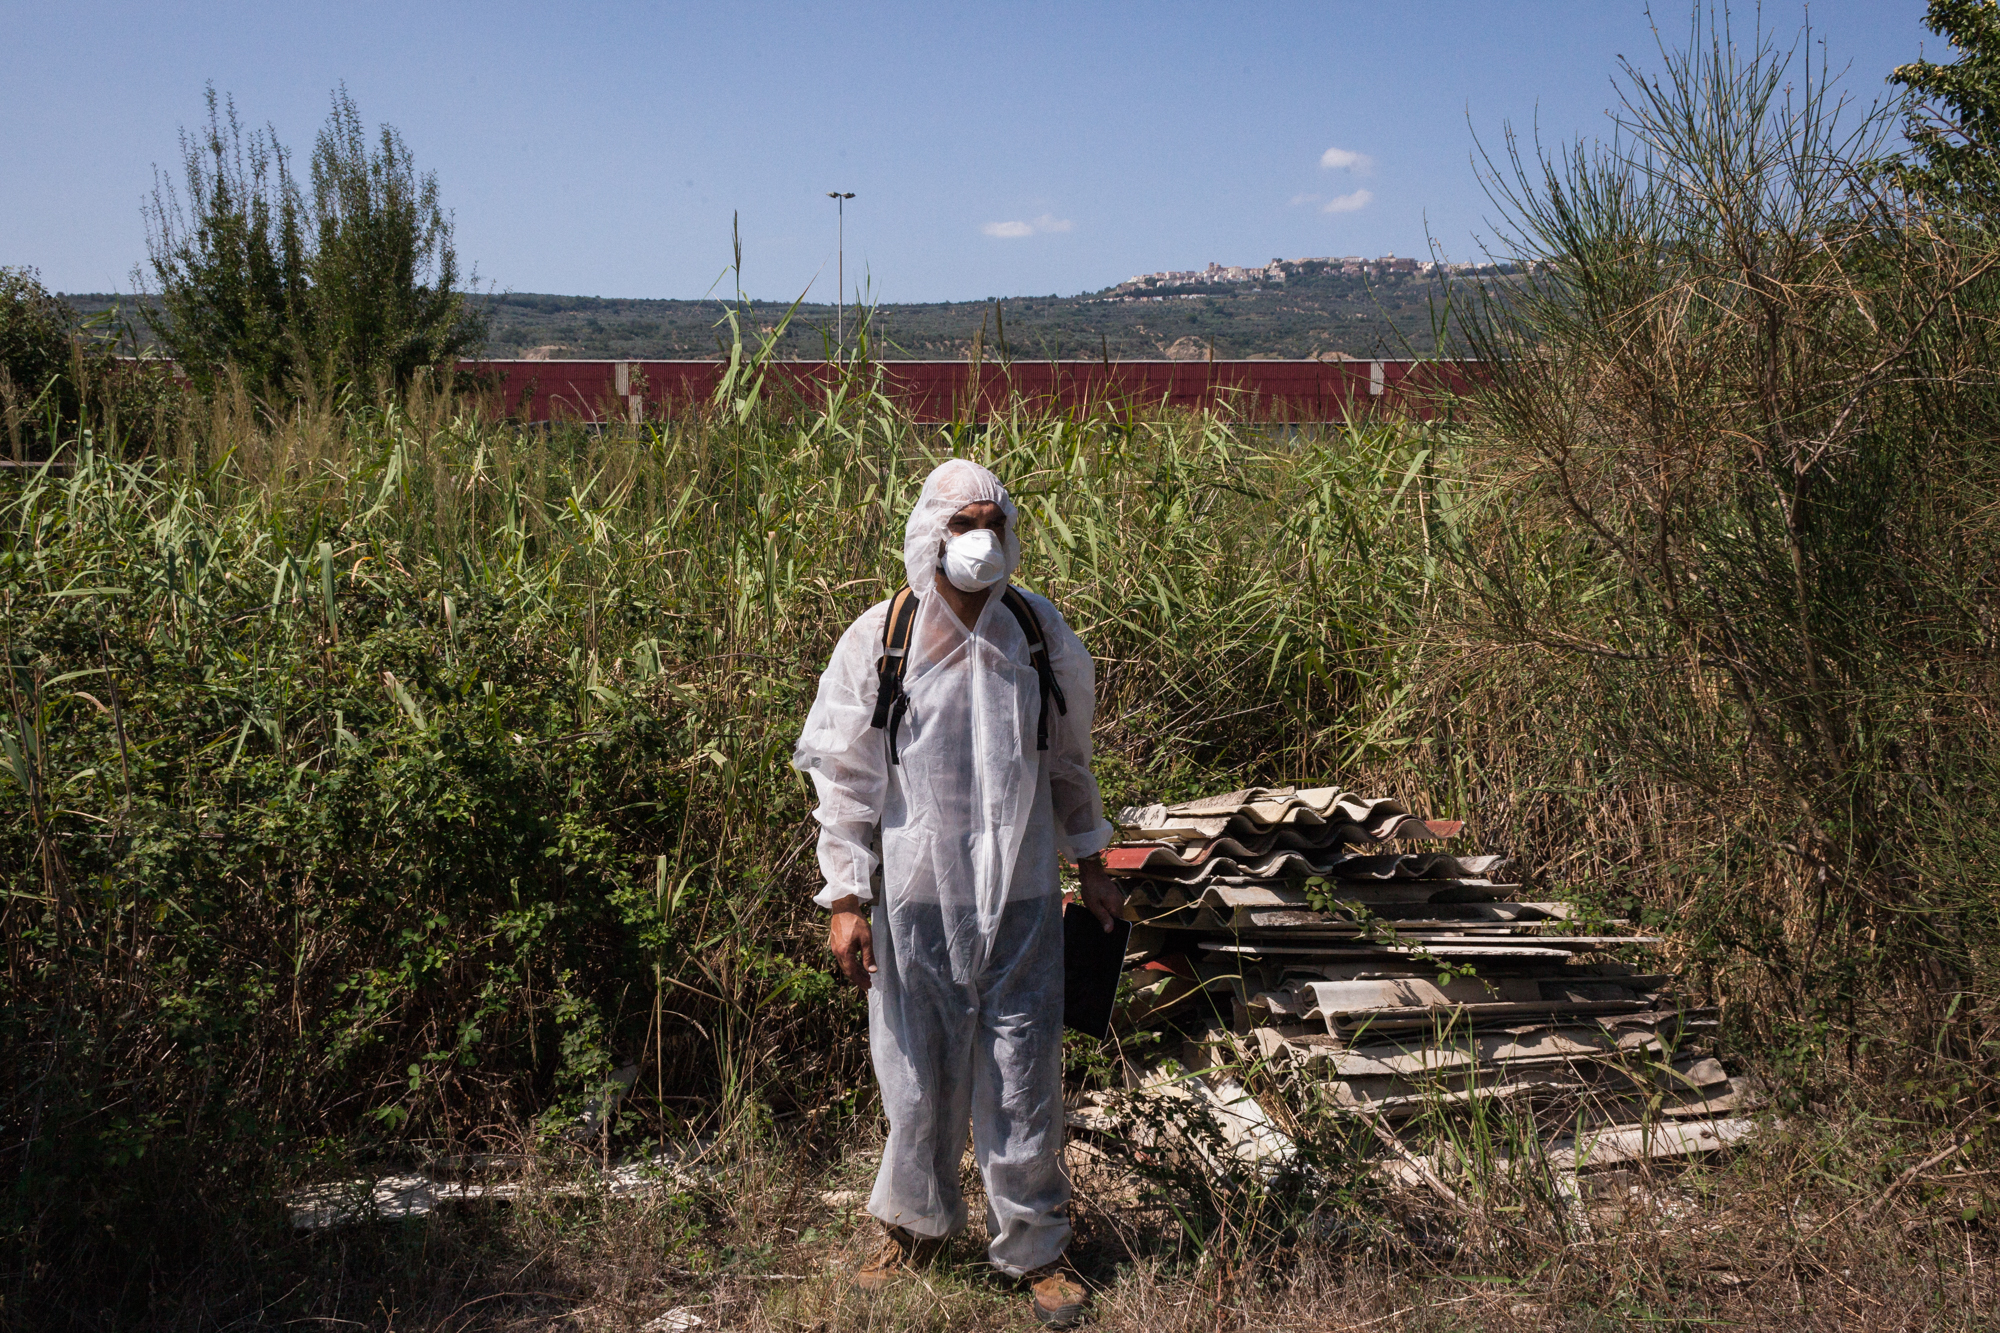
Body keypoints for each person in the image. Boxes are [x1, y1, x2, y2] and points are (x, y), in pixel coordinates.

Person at [793, 459, 1124, 1328]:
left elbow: (1068, 765)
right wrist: (845, 897)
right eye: (961, 522)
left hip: (1020, 894)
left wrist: (1091, 865)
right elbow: (847, 777)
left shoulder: (1038, 632)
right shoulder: (882, 636)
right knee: (916, 1073)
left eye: (990, 520)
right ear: (930, 534)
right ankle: (913, 1227)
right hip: (916, 897)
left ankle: (1036, 1247)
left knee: (1024, 1076)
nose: (979, 538)